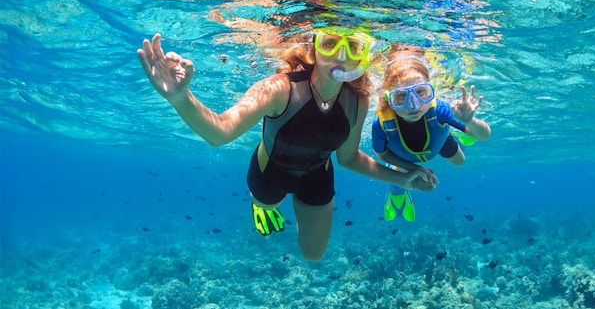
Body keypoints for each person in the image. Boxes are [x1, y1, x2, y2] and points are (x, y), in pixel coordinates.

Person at [137, 29, 437, 261]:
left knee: (313, 254)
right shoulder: (280, 88)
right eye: (330, 44)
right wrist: (180, 98)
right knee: (267, 204)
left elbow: (348, 159)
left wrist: (403, 179)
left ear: (362, 56)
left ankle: (293, 217)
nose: (341, 56)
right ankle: (261, 205)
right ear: (314, 48)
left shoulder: (358, 101)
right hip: (270, 171)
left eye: (353, 47)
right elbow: (220, 132)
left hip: (318, 175)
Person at [371, 44, 491, 222]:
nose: (413, 105)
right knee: (400, 173)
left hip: (438, 140)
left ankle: (458, 129)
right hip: (403, 157)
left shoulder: (440, 109)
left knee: (459, 162)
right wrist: (415, 169)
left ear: (431, 91)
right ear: (389, 99)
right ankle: (397, 194)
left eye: (421, 93)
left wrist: (469, 121)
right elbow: (381, 154)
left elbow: (484, 136)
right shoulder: (381, 123)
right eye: (401, 97)